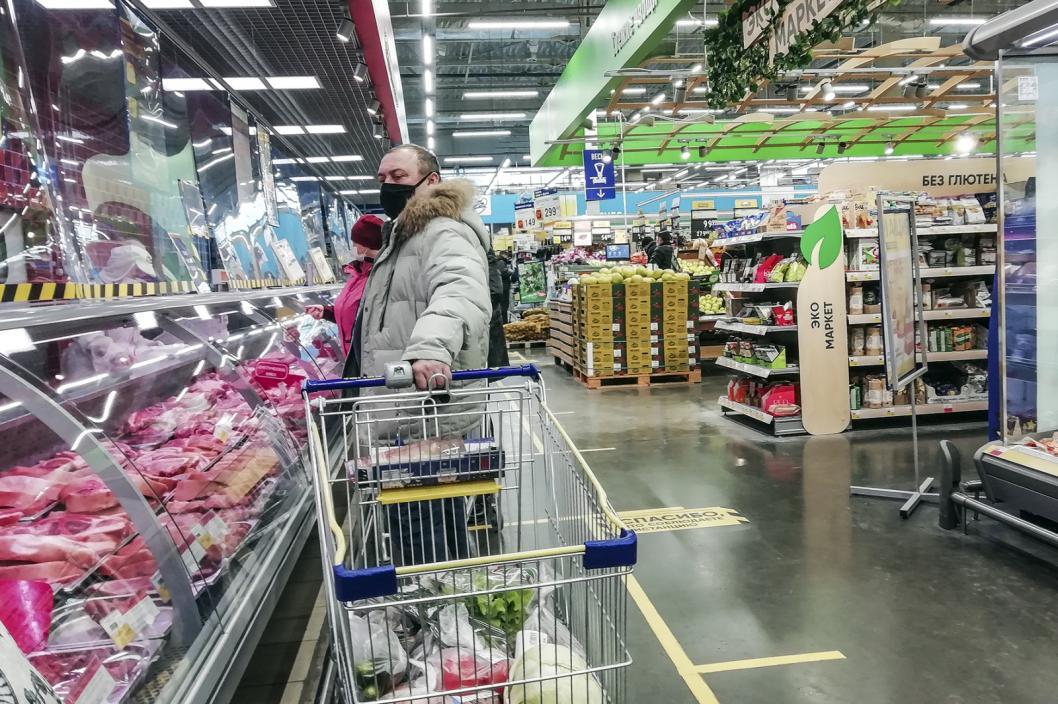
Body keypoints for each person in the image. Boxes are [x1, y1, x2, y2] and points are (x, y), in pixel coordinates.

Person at [350, 143, 493, 566]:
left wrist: (431, 348)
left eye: (399, 177)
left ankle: (434, 600)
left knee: (420, 530)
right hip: (407, 406)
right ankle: (451, 597)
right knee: (433, 524)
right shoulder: (404, 235)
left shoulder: (442, 231)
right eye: (382, 178)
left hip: (423, 406)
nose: (388, 186)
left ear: (431, 181)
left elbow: (460, 289)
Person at [305, 215, 383, 356]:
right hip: (353, 356)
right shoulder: (357, 273)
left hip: (370, 357)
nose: (353, 246)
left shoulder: (381, 275)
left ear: (366, 244)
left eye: (355, 242)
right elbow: (354, 315)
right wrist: (327, 312)